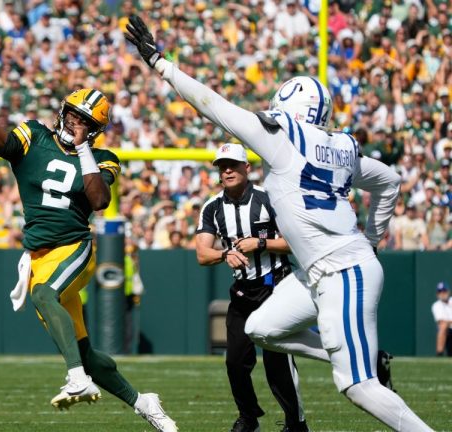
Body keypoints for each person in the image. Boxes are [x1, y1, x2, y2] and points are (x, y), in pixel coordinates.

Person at [125, 15, 434, 431]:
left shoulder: (283, 138)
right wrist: (374, 238)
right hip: (319, 271)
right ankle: (351, 352)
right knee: (262, 327)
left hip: (344, 270)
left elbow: (214, 105)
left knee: (356, 386)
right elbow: (390, 181)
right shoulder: (339, 147)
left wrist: (162, 65)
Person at [0, 37, 177, 432]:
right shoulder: (34, 137)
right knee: (85, 351)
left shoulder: (103, 159)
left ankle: (76, 378)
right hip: (37, 257)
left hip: (74, 248)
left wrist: (83, 152)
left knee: (44, 295)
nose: (74, 124)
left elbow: (98, 200)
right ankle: (144, 403)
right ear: (62, 112)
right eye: (72, 115)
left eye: (84, 121)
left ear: (96, 130)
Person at [196, 143, 307, 432]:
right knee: (235, 361)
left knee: (277, 361)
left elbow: (296, 241)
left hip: (277, 287)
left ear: (247, 168)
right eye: (222, 166)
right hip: (244, 292)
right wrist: (223, 254)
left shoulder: (269, 199)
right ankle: (249, 418)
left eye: (233, 164)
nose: (228, 170)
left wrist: (261, 243)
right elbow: (201, 253)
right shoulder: (212, 207)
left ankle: (296, 423)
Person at [432, 281, 452, 356]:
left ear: (448, 292)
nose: (442, 293)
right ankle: (439, 354)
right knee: (443, 327)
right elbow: (441, 322)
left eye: (444, 291)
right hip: (448, 330)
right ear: (437, 294)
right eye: (440, 292)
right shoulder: (436, 305)